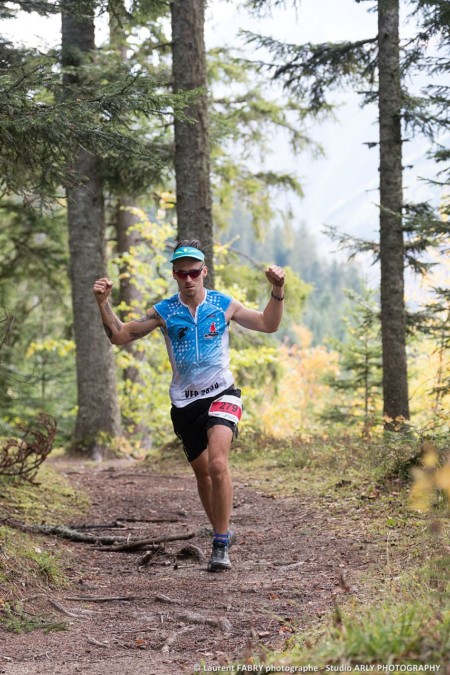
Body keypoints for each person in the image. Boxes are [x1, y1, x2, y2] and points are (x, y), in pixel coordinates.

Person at [93, 240, 285, 572]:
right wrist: (103, 303)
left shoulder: (224, 305)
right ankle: (221, 529)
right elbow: (120, 336)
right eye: (181, 273)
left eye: (194, 272)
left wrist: (277, 290)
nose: (188, 279)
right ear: (174, 274)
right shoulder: (164, 312)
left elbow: (268, 324)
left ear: (204, 272)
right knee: (204, 475)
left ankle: (220, 543)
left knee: (218, 464)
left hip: (223, 393)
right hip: (184, 403)